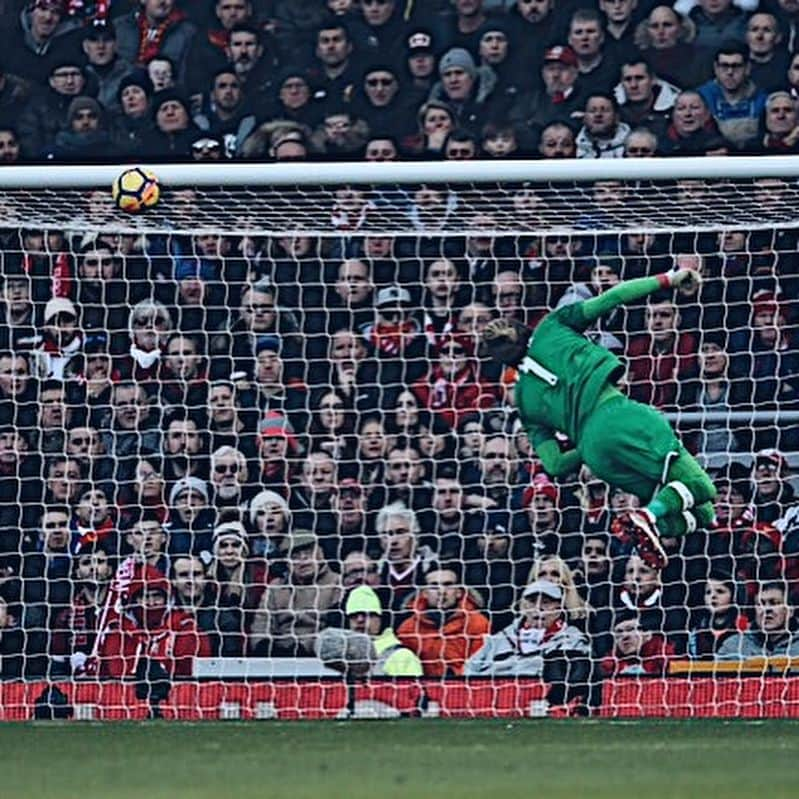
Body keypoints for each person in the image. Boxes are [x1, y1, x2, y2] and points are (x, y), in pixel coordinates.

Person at [481, 267, 717, 570]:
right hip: (619, 415)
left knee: (705, 512)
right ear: (524, 327)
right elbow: (614, 296)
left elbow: (553, 464)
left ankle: (648, 525)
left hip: (594, 454)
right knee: (702, 487)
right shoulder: (552, 326)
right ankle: (645, 517)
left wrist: (584, 444)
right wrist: (669, 279)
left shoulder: (523, 399)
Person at [396, 562, 490, 676]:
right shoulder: (408, 629)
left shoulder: (478, 623)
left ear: (459, 592)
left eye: (448, 585)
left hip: (465, 688)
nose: (442, 592)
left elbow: (481, 666)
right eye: (434, 586)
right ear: (424, 593)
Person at [343, 585, 423, 676]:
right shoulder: (340, 655)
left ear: (382, 618)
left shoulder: (402, 657)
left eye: (368, 614)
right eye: (353, 615)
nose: (359, 620)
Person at [716, 581, 799, 660]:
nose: (766, 609)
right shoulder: (733, 646)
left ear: (790, 611)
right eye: (760, 604)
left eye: (774, 603)